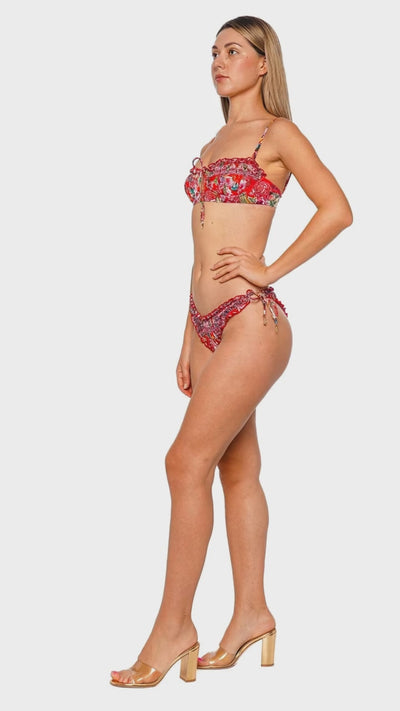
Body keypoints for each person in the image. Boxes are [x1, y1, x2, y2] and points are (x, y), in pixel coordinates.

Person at [110, 15, 352, 688]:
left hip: (252, 322)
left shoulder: (279, 134)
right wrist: (188, 335)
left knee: (183, 461)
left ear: (263, 63)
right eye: (214, 51)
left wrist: (269, 268)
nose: (219, 61)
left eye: (234, 50)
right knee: (236, 469)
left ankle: (172, 628)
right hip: (207, 325)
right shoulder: (215, 139)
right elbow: (201, 250)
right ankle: (251, 614)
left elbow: (337, 209)